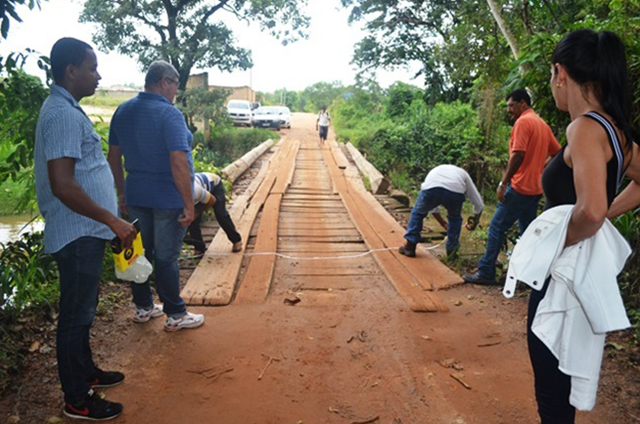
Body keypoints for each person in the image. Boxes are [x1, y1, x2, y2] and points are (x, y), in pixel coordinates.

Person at [529, 29, 638, 423]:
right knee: (562, 393)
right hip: (584, 276)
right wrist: (606, 211)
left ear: (561, 72)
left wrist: (556, 245)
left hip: (562, 278)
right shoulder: (615, 131)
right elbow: (597, 209)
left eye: (551, 74)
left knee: (552, 396)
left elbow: (589, 211)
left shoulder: (583, 128)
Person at [35, 37, 137, 421]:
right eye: (92, 67)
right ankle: (77, 398)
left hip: (86, 232)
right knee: (75, 316)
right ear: (71, 70)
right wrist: (111, 218)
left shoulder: (67, 109)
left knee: (84, 311)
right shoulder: (60, 114)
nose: (99, 75)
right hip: (78, 234)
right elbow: (62, 184)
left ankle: (87, 373)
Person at [108, 61, 204, 332]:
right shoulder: (168, 114)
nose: (175, 91)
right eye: (175, 85)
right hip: (167, 199)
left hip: (137, 196)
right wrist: (188, 203)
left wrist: (122, 192)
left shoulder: (123, 110)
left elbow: (114, 157)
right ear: (164, 82)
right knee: (166, 257)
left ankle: (144, 307)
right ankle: (175, 314)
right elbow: (178, 162)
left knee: (141, 253)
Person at [463, 89, 561, 285]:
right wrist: (541, 168)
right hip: (535, 190)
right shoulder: (542, 124)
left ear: (522, 103)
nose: (508, 110)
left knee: (496, 228)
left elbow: (518, 154)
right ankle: (529, 275)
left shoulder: (523, 122)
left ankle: (486, 271)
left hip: (519, 188)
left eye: (510, 105)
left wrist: (504, 182)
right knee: (528, 235)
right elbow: (558, 152)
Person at [399, 164, 483, 258]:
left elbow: (431, 206)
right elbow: (478, 203)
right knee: (455, 219)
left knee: (418, 213)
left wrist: (442, 223)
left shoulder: (436, 170)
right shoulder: (464, 174)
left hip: (431, 188)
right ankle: (452, 252)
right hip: (455, 191)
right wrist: (474, 221)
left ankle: (410, 246)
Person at [185, 172, 242, 256]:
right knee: (193, 221)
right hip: (200, 194)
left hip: (214, 186)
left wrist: (196, 212)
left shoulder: (194, 190)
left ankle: (236, 240)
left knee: (221, 214)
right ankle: (199, 247)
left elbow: (212, 201)